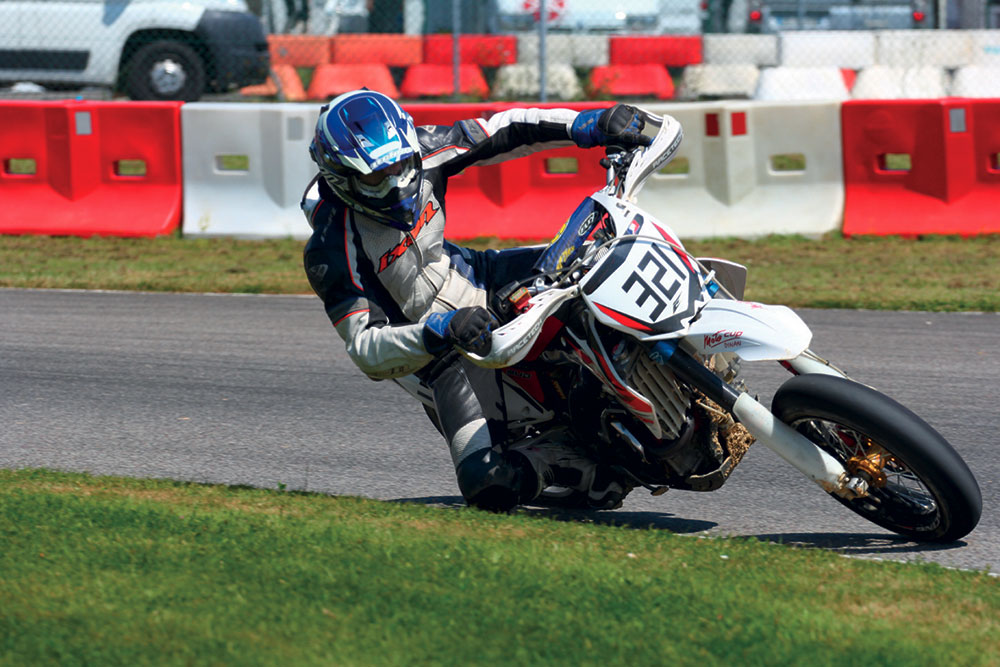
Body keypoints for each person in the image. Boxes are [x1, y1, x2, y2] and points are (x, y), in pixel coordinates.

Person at [301, 89, 652, 512]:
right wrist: (438, 331)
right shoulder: (329, 247)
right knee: (487, 483)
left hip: (478, 277)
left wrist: (587, 123)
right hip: (437, 355)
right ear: (342, 178)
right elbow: (365, 349)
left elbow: (507, 129)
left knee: (601, 252)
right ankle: (559, 463)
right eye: (378, 177)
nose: (397, 186)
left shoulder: (425, 151)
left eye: (400, 166)